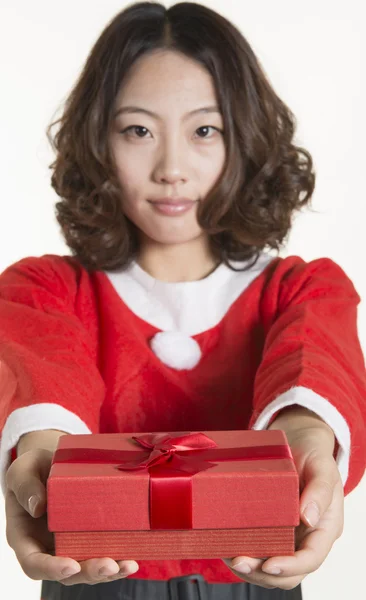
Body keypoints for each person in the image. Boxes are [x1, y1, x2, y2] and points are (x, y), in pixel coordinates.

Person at [1, 1, 365, 599]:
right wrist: (42, 466)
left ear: (243, 140)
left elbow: (313, 367)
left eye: (205, 130)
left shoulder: (302, 290)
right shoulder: (44, 292)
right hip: (96, 583)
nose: (172, 168)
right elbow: (45, 387)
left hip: (256, 583)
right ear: (99, 141)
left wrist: (307, 448)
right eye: (138, 130)